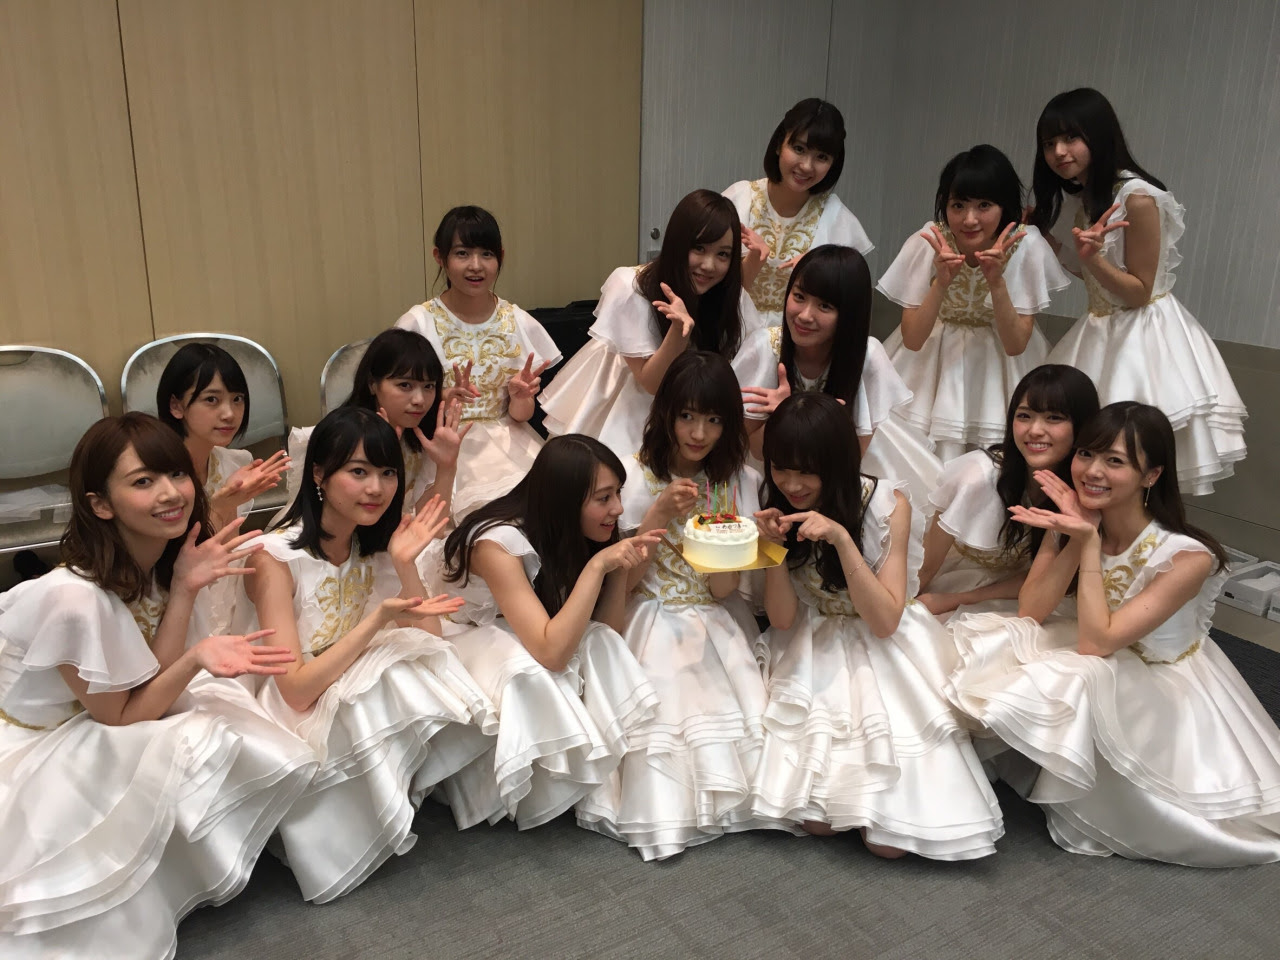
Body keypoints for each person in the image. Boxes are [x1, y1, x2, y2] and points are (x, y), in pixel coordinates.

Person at [0, 413, 315, 959]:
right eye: (143, 481)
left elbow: (148, 675)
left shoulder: (157, 557)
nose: (171, 493)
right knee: (192, 730)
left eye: (176, 473)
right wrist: (196, 658)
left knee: (218, 714)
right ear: (101, 504)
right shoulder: (74, 598)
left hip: (99, 711)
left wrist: (186, 589)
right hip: (39, 735)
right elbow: (123, 716)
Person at [948, 402, 1280, 864]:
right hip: (1095, 644)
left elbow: (1096, 643)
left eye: (1115, 461)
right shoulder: (1080, 517)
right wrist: (1077, 533)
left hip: (1156, 677)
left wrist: (1086, 543)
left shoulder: (1187, 557)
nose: (1092, 472)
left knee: (1074, 675)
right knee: (999, 636)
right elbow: (1031, 609)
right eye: (1086, 454)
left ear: (1151, 475)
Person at [237, 407, 495, 902]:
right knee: (387, 673)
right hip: (291, 700)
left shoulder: (367, 544)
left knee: (412, 661)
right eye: (358, 472)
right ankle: (346, 830)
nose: (376, 488)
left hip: (340, 677)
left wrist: (403, 563)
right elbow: (294, 691)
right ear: (318, 474)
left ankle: (383, 803)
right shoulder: (275, 557)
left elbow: (432, 637)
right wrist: (376, 622)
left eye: (387, 472)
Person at [750, 394, 1002, 859]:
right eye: (781, 469)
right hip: (818, 643)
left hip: (885, 646)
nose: (792, 484)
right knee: (815, 822)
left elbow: (885, 619)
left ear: (837, 463)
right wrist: (771, 552)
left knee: (891, 843)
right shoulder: (777, 503)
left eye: (806, 471)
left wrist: (842, 539)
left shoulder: (887, 503)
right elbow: (782, 618)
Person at [577, 352, 769, 860]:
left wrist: (725, 535)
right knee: (662, 697)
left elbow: (724, 590)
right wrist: (657, 514)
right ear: (665, 413)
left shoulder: (740, 482)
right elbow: (624, 583)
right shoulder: (632, 476)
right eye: (686, 416)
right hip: (647, 609)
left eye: (713, 420)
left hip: (716, 613)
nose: (698, 433)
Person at [430, 435, 661, 830]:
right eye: (604, 498)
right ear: (565, 501)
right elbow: (550, 652)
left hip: (521, 624)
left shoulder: (580, 529)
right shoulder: (497, 545)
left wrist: (617, 571)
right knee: (531, 672)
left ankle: (611, 777)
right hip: (458, 629)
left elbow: (607, 630)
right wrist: (596, 568)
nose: (618, 508)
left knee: (599, 643)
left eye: (618, 493)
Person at [1030, 88, 1246, 494]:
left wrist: (1093, 260)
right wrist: (1052, 243)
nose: (1058, 151)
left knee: (1128, 457)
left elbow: (1139, 292)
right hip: (1100, 326)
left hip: (1143, 335)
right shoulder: (1090, 197)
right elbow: (1096, 279)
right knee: (1091, 450)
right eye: (1048, 143)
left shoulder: (1138, 197)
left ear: (1098, 135)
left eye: (1070, 137)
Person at [878, 145, 1073, 462]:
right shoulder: (930, 240)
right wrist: (941, 283)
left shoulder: (1025, 244)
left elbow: (1015, 344)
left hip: (1001, 364)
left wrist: (996, 282)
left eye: (984, 205)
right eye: (958, 205)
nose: (969, 219)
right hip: (930, 361)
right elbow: (912, 340)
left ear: (1004, 205)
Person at [539, 189, 762, 461]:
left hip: (696, 405)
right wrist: (679, 333)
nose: (709, 265)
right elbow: (651, 383)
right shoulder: (631, 286)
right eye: (699, 248)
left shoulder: (730, 294)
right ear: (678, 243)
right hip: (631, 395)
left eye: (723, 254)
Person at [733, 244, 941, 510]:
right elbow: (754, 450)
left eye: (825, 306)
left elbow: (852, 458)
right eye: (799, 296)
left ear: (850, 313)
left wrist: (804, 414)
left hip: (843, 483)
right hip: (774, 480)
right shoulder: (765, 347)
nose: (805, 315)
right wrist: (781, 416)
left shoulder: (867, 356)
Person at [396, 206, 561, 518]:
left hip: (509, 445)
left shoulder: (517, 321)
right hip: (440, 445)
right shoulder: (418, 323)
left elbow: (521, 416)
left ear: (500, 257)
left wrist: (520, 397)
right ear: (440, 257)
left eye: (486, 254)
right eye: (462, 253)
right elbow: (396, 400)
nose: (476, 266)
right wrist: (440, 398)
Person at [917, 364, 1099, 620]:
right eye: (1024, 416)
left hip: (1032, 597)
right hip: (959, 584)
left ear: (1083, 425)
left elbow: (1040, 584)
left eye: (1054, 418)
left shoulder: (1089, 488)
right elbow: (925, 567)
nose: (1035, 430)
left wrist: (962, 600)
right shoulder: (975, 477)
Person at [724, 97, 873, 326]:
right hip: (732, 331)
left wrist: (818, 272)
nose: (806, 166)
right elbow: (713, 287)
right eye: (799, 149)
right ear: (778, 145)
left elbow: (851, 307)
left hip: (802, 338)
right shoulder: (739, 199)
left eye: (822, 157)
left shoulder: (837, 219)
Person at [157, 342, 288, 531]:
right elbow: (177, 549)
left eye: (237, 399)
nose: (229, 414)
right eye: (211, 399)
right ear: (176, 406)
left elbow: (230, 544)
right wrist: (221, 507)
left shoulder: (232, 464)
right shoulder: (155, 475)